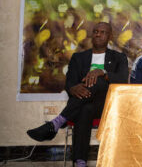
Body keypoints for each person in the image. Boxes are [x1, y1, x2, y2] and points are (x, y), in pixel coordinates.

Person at [27, 22, 128, 167]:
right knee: (85, 109)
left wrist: (103, 73)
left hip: (106, 106)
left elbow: (123, 79)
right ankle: (80, 162)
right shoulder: (79, 57)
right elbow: (70, 83)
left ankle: (57, 122)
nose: (98, 34)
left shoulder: (119, 57)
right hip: (84, 104)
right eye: (96, 31)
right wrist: (73, 88)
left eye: (103, 32)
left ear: (110, 36)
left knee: (98, 80)